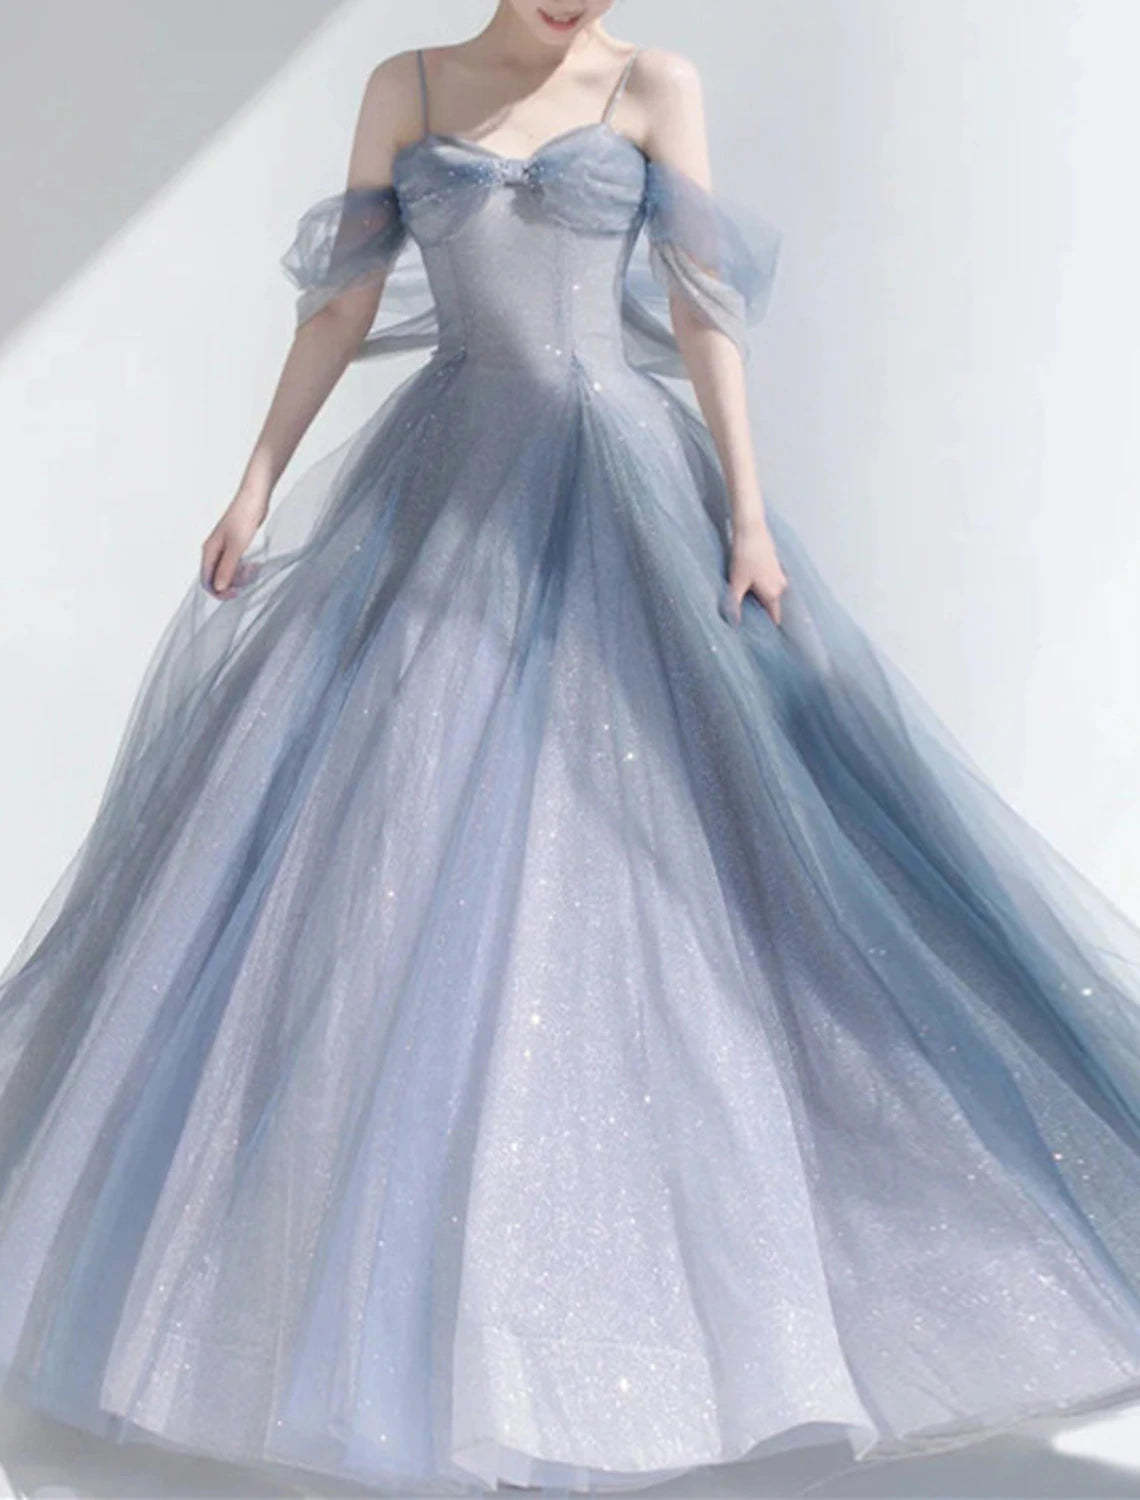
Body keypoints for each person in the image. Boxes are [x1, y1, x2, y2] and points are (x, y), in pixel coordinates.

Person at [3, 2, 1140, 1497]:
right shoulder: (406, 85)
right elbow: (341, 308)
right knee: (385, 847)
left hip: (621, 488)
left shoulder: (655, 83)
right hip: (443, 485)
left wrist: (746, 515)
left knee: (685, 856)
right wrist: (255, 485)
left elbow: (703, 309)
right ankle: (369, 1314)